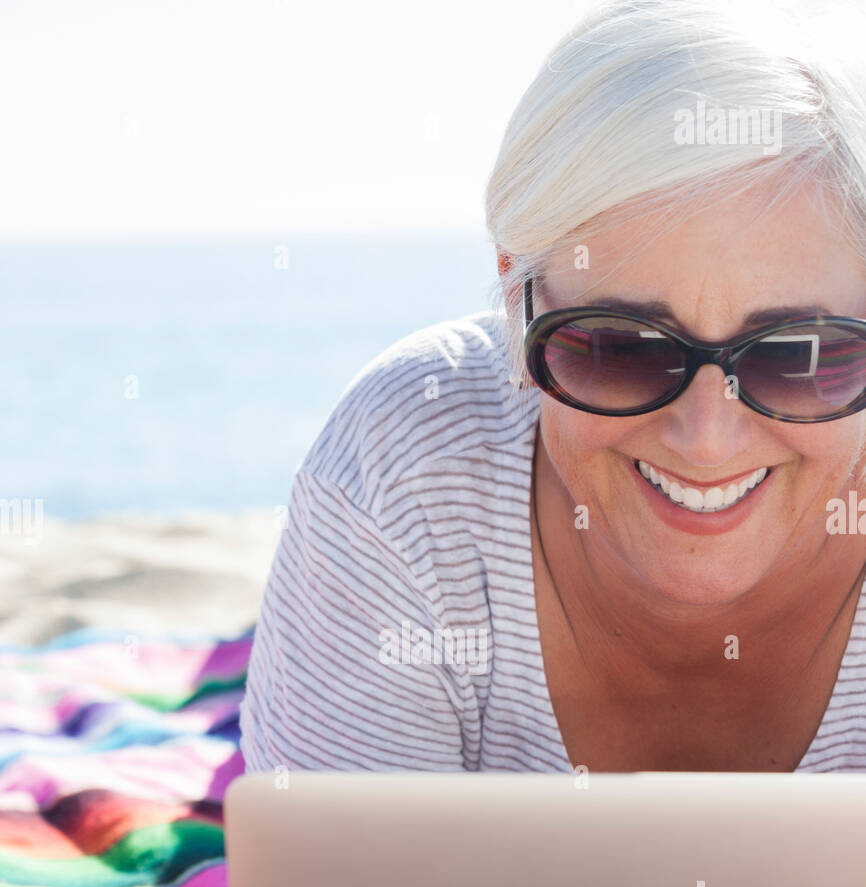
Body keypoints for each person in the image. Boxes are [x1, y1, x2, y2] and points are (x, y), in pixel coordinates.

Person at [241, 0, 866, 779]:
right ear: (516, 292)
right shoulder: (408, 469)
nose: (707, 436)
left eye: (795, 356)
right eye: (619, 348)